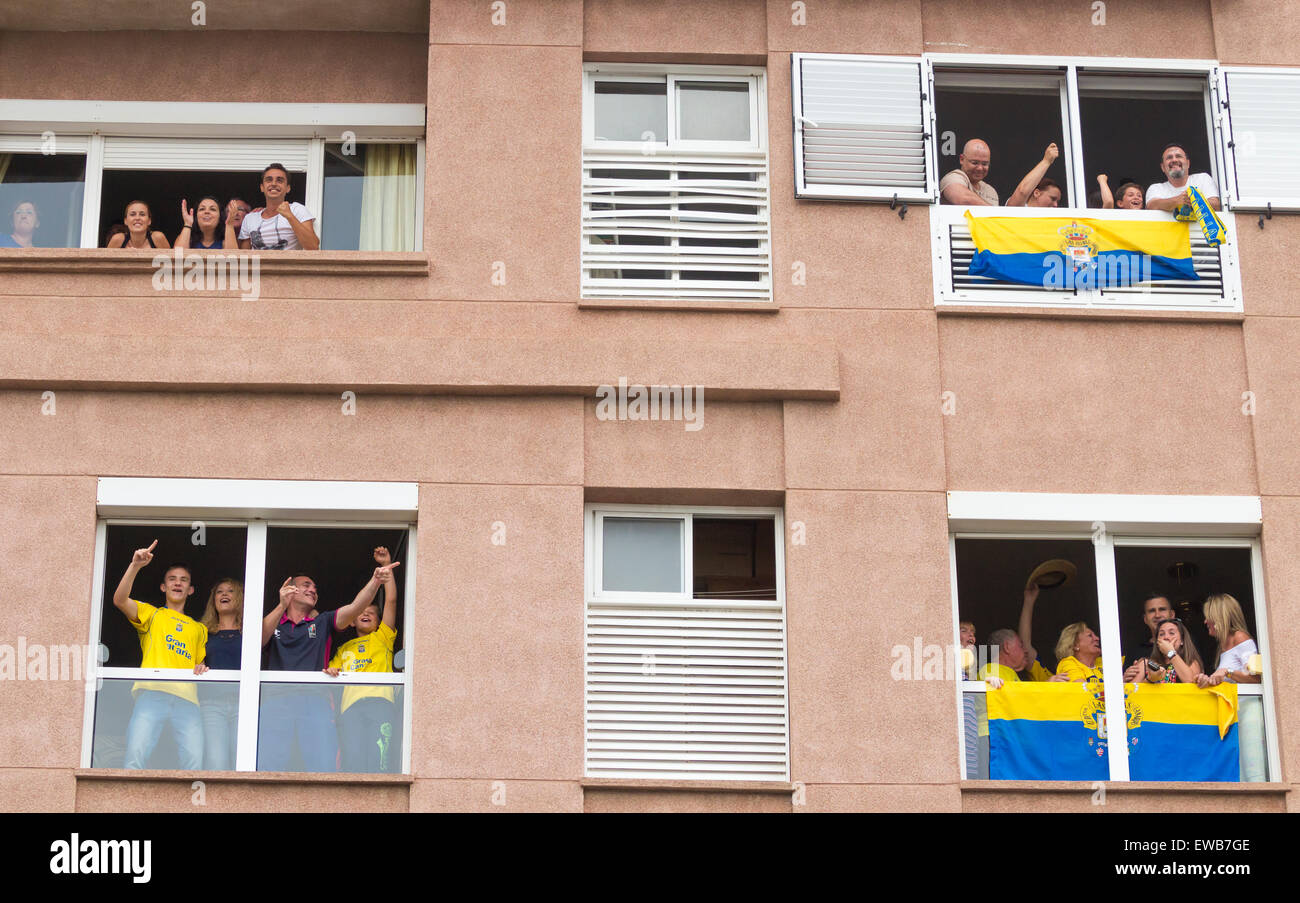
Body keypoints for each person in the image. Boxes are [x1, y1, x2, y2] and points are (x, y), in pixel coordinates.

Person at [258, 555, 399, 771]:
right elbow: (255, 641)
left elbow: (354, 607)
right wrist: (280, 606)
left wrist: (376, 581)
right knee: (269, 765)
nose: (313, 590)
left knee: (323, 766)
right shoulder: (276, 622)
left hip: (314, 701)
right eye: (307, 585)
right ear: (290, 590)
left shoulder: (322, 621)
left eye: (315, 588)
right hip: (277, 700)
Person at [111, 540, 207, 769]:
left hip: (187, 699)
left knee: (195, 762)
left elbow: (199, 665)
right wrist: (135, 565)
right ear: (163, 587)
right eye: (172, 579)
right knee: (135, 756)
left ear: (190, 590)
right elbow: (119, 600)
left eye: (184, 580)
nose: (178, 583)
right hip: (152, 693)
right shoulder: (152, 615)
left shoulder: (199, 628)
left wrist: (202, 668)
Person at [325, 547, 400, 773]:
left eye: (372, 612)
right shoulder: (343, 648)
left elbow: (392, 601)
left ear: (379, 622)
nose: (366, 614)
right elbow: (332, 669)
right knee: (354, 758)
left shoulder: (382, 639)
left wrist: (386, 569)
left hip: (381, 704)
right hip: (351, 708)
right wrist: (331, 671)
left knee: (379, 758)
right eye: (360, 612)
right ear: (350, 622)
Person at [194, 578, 243, 770]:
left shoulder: (251, 631)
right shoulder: (203, 631)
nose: (224, 594)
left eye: (230, 591)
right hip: (211, 704)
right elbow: (195, 660)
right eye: (219, 592)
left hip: (243, 703)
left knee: (242, 761)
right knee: (216, 762)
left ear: (239, 597)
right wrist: (198, 667)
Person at [238, 163, 319, 250]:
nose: (274, 183)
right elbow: (244, 257)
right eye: (269, 180)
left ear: (288, 188)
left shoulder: (297, 210)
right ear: (262, 187)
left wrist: (290, 216)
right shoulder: (250, 218)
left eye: (279, 180)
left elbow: (313, 247)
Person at [1195, 594, 1260, 688]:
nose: (1205, 621)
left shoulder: (1239, 637)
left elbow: (1256, 678)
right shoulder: (1222, 645)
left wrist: (1227, 672)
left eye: (1208, 617)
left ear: (1219, 618)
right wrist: (1207, 680)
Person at [1144, 143, 1221, 213]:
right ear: (1163, 167)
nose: (1174, 160)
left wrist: (1193, 201)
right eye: (1169, 157)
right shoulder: (1156, 188)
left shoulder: (1202, 179)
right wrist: (1177, 201)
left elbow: (1216, 205)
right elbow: (1151, 206)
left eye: (1178, 156)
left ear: (1188, 163)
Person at [1123, 593, 1175, 683]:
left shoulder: (1186, 645)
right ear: (1145, 619)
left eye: (1162, 609)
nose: (1157, 615)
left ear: (1172, 615)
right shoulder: (1136, 651)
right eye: (1151, 611)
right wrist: (1124, 680)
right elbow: (1126, 691)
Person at [1142, 618, 1204, 684]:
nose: (1166, 637)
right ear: (1157, 641)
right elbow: (1131, 692)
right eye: (1161, 634)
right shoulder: (1146, 663)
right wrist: (1150, 679)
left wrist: (1170, 652)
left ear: (1182, 640)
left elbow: (1190, 682)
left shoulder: (1191, 662)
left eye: (1171, 633)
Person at [940, 138, 998, 206]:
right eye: (975, 163)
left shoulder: (991, 191)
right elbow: (963, 199)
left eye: (984, 164)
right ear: (962, 159)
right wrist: (994, 211)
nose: (980, 168)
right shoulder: (952, 178)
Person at [174, 196, 239, 250]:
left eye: (212, 209)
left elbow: (233, 262)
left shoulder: (225, 243)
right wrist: (188, 224)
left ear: (220, 217)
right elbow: (177, 260)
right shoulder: (187, 240)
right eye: (202, 209)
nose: (207, 212)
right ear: (196, 217)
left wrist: (229, 225)